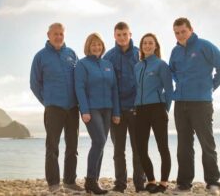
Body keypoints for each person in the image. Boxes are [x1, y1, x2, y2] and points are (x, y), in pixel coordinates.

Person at [169, 17, 220, 194]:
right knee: (184, 145)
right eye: (177, 32)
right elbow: (172, 71)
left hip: (201, 103)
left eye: (183, 31)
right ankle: (184, 185)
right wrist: (180, 84)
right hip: (181, 103)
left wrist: (210, 86)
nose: (180, 35)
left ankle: (213, 183)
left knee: (207, 144)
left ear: (191, 29)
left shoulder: (205, 46)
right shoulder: (175, 51)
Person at [30, 23, 83, 193]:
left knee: (72, 147)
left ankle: (69, 181)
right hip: (53, 108)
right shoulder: (40, 57)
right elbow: (34, 84)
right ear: (48, 35)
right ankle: (53, 184)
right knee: (52, 147)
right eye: (55, 34)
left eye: (61, 33)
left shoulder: (72, 54)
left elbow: (80, 79)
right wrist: (47, 101)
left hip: (73, 108)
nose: (59, 36)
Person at [75, 33, 120, 194]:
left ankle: (94, 182)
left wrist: (116, 111)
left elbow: (114, 89)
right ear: (88, 46)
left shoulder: (108, 64)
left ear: (102, 46)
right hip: (92, 109)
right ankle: (90, 180)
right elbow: (79, 88)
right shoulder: (82, 64)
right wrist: (84, 110)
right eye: (93, 44)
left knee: (100, 144)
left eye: (99, 44)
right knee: (99, 141)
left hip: (107, 109)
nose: (96, 47)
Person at [103, 22, 146, 193]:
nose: (122, 38)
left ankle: (140, 183)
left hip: (137, 111)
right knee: (118, 150)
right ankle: (120, 184)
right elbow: (107, 85)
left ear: (130, 34)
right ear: (114, 36)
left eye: (125, 34)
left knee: (138, 150)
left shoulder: (139, 54)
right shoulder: (108, 57)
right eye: (119, 35)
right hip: (117, 112)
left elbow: (144, 83)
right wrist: (115, 111)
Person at [134, 33, 173, 193]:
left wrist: (165, 109)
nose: (147, 46)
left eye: (151, 43)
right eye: (145, 43)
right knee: (141, 148)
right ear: (141, 46)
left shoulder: (161, 65)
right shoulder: (137, 66)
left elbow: (169, 89)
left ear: (156, 46)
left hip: (157, 108)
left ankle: (163, 183)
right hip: (141, 110)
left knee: (162, 147)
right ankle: (151, 180)